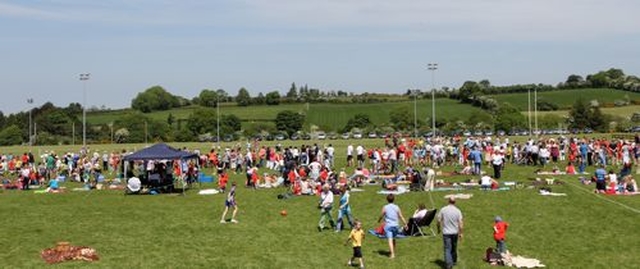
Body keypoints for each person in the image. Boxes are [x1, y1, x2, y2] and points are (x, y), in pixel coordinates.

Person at [377, 194, 407, 259]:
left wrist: (379, 220)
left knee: (390, 240)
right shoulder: (397, 207)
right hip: (396, 226)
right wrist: (405, 224)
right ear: (394, 199)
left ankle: (392, 254)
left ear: (387, 200)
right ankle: (393, 250)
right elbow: (401, 216)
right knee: (393, 238)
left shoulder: (385, 207)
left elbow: (381, 215)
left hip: (388, 226)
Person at [437, 196, 463, 269]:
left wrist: (438, 228)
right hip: (455, 232)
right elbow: (460, 223)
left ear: (448, 201)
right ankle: (453, 261)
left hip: (446, 233)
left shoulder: (443, 209)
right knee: (454, 247)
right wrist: (461, 233)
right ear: (455, 202)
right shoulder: (458, 211)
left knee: (447, 249)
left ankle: (449, 264)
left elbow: (438, 221)